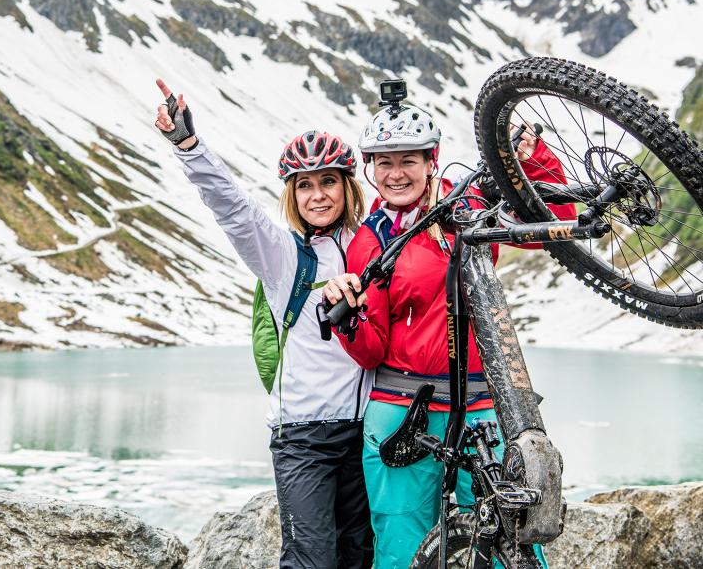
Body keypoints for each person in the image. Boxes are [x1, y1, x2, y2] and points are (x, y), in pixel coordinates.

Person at [323, 99, 576, 568]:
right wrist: (350, 319)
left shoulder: (468, 209)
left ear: (431, 160)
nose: (396, 174)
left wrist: (532, 156)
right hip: (403, 416)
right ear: (371, 168)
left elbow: (551, 222)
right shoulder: (370, 241)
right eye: (384, 163)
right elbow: (371, 349)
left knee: (512, 539)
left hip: (483, 407)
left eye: (408, 160)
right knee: (401, 547)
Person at [153, 78, 373, 568]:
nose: (318, 195)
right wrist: (189, 145)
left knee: (360, 558)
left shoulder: (370, 245)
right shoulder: (282, 256)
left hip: (365, 433)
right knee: (310, 560)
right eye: (305, 186)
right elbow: (233, 209)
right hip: (304, 438)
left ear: (347, 186)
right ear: (293, 195)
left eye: (329, 181)